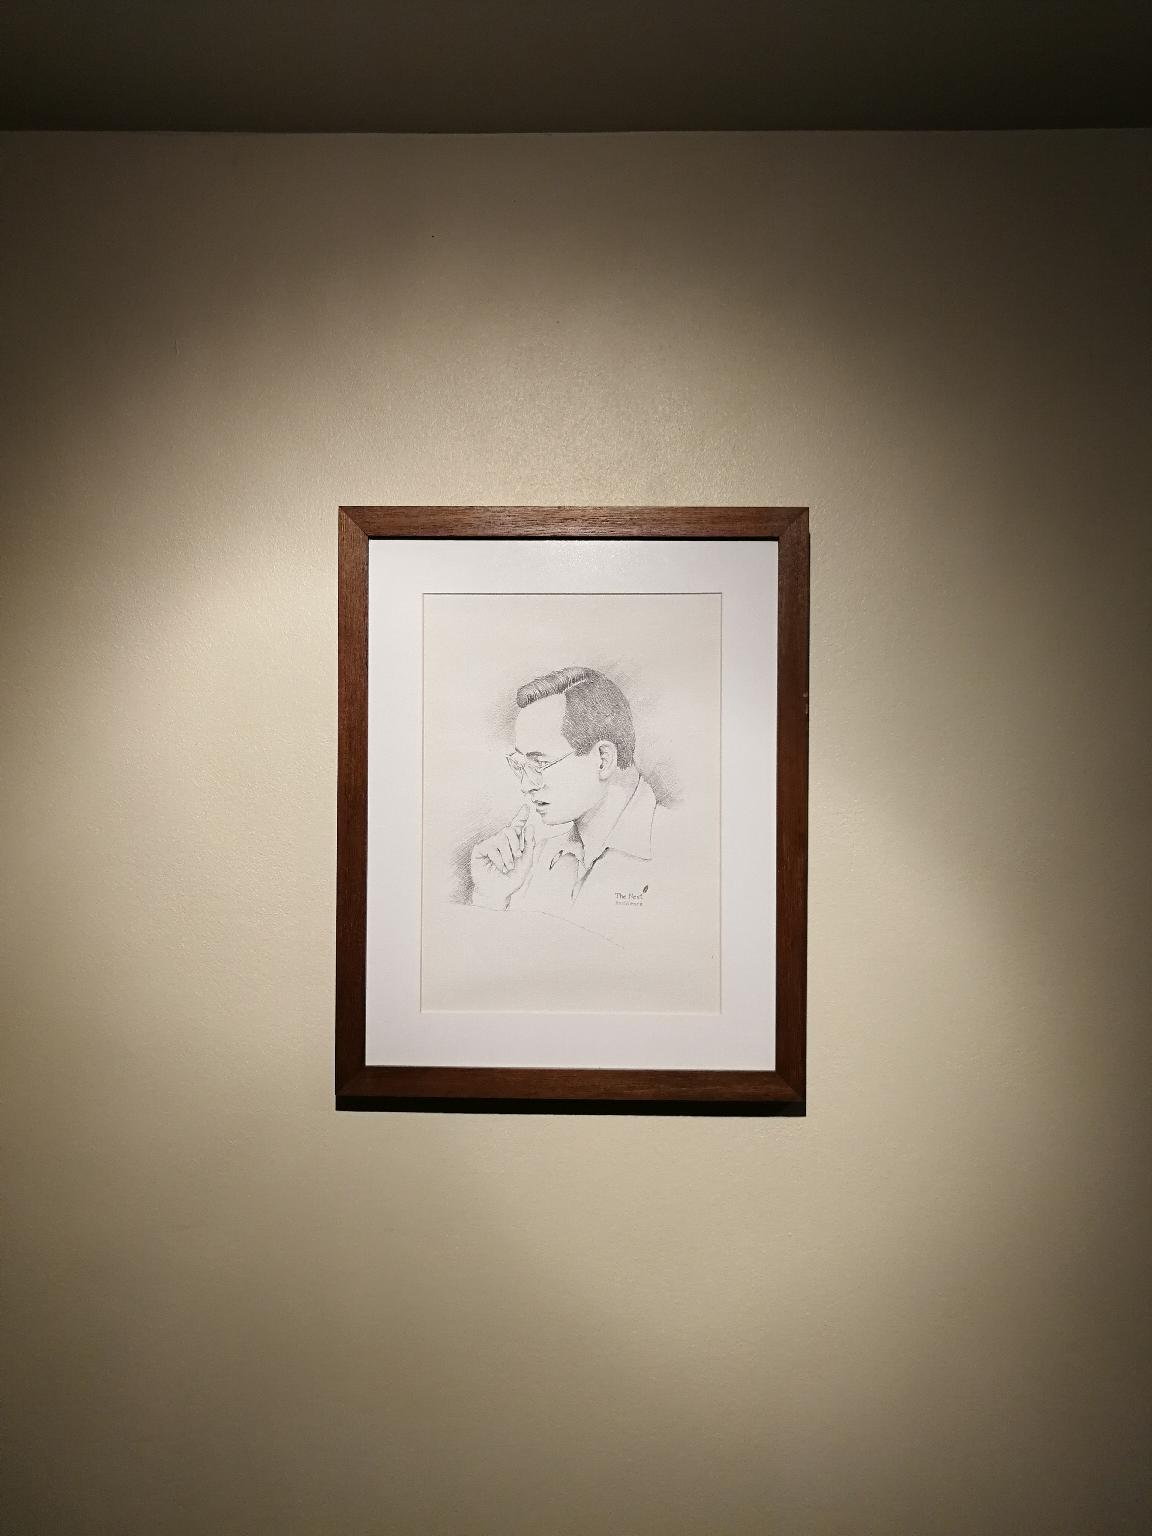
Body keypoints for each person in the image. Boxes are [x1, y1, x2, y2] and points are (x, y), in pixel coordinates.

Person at [470, 666, 666, 935]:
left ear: (603, 759)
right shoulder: (529, 861)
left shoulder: (682, 851)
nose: (526, 785)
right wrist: (491, 898)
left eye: (539, 764)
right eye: (521, 766)